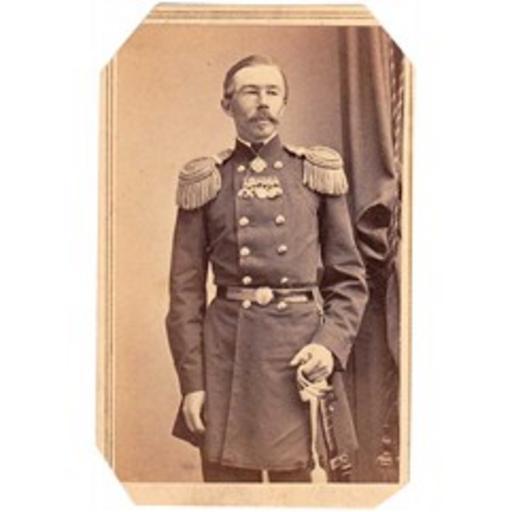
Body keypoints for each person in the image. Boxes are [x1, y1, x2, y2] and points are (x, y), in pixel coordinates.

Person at [166, 54, 368, 483]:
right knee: (228, 495)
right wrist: (193, 383)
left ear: (284, 103)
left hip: (300, 357)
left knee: (298, 494)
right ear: (227, 104)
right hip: (227, 362)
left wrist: (328, 347)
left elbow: (349, 281)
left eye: (272, 92)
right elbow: (184, 296)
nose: (263, 102)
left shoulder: (315, 174)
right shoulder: (207, 181)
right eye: (250, 92)